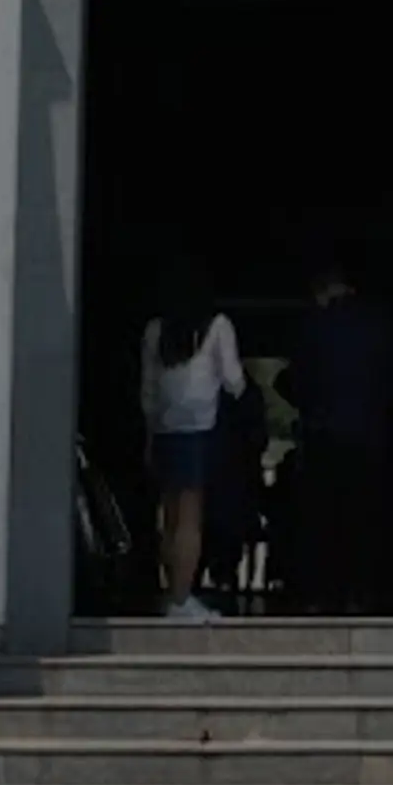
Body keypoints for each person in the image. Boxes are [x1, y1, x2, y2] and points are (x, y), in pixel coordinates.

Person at [280, 260, 393, 613]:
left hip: (324, 437)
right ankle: (359, 593)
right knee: (362, 517)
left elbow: (295, 380)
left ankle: (320, 593)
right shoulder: (378, 325)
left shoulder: (315, 325)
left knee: (323, 519)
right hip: (367, 437)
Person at [139, 263, 246, 621]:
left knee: (169, 517)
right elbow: (234, 380)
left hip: (165, 429)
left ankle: (172, 592)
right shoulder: (217, 325)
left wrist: (150, 436)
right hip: (200, 428)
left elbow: (149, 391)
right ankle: (183, 600)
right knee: (190, 518)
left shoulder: (156, 329)